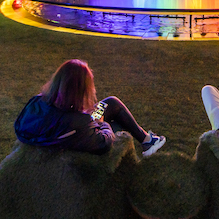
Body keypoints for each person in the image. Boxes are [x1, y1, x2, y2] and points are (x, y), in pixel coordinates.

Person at [14, 59, 166, 156]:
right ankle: (147, 142)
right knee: (117, 125)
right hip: (78, 128)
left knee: (110, 103)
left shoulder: (37, 101)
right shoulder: (79, 122)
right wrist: (100, 122)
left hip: (60, 123)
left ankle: (147, 140)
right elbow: (103, 143)